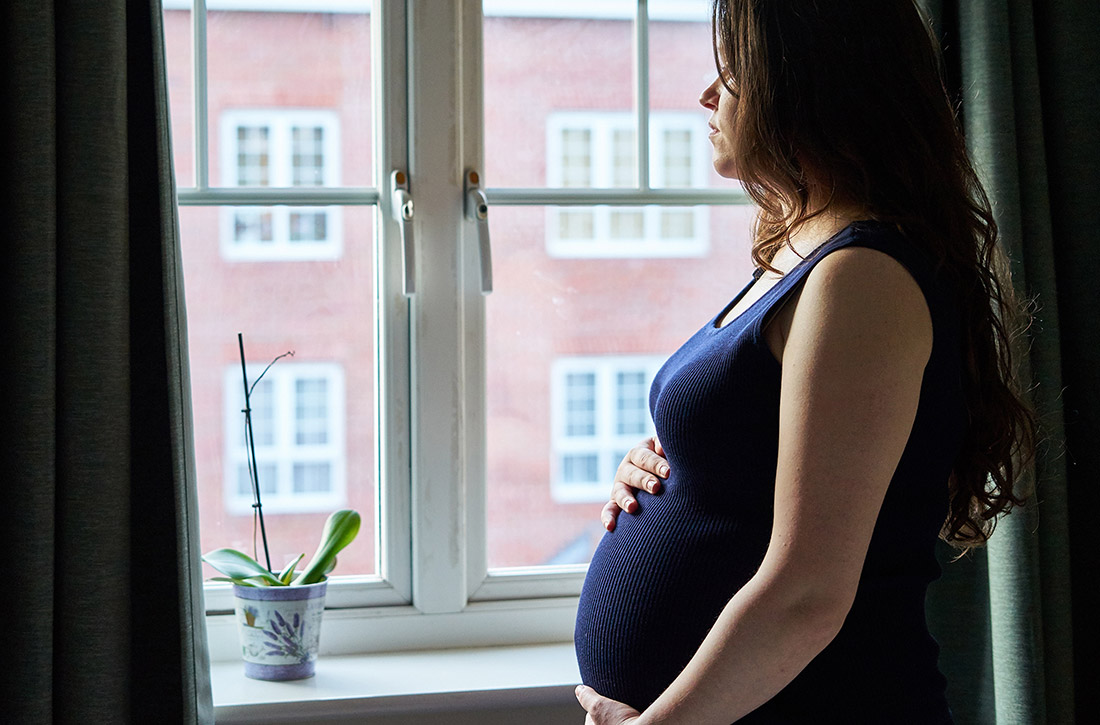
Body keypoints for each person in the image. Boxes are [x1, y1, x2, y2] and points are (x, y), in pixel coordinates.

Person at [572, 1, 1036, 723]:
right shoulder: (804, 250)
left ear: (803, 83)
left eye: (732, 71)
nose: (707, 93)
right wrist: (669, 470)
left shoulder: (863, 276)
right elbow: (759, 463)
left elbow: (809, 591)